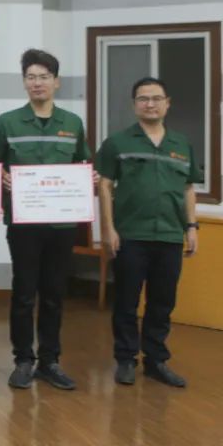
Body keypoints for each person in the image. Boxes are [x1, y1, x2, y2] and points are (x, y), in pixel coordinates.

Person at [0, 48, 92, 391]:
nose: (38, 83)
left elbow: (81, 164)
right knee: (23, 292)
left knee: (54, 293)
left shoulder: (72, 123)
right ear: (24, 82)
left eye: (44, 77)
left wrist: (88, 178)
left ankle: (50, 361)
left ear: (56, 82)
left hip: (62, 225)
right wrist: (1, 176)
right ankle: (23, 359)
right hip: (24, 224)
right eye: (31, 77)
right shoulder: (7, 122)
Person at [97, 77, 200, 388]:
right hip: (130, 235)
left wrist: (191, 226)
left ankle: (156, 361)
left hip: (169, 235)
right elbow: (105, 185)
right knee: (126, 301)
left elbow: (188, 188)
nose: (150, 104)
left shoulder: (181, 144)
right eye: (143, 99)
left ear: (167, 103)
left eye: (156, 98)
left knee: (162, 302)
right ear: (134, 105)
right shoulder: (117, 143)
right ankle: (126, 359)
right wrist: (108, 229)